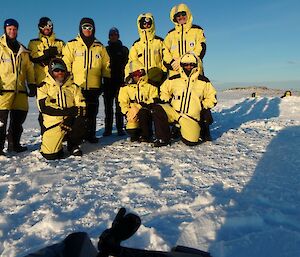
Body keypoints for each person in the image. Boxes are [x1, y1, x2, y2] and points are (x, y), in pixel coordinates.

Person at [151, 52, 217, 147]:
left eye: (191, 64)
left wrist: (203, 107)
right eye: (185, 65)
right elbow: (163, 91)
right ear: (181, 65)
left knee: (191, 142)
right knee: (158, 109)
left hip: (190, 117)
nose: (188, 67)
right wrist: (168, 101)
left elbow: (212, 97)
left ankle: (182, 129)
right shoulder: (173, 79)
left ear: (196, 65)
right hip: (175, 112)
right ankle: (163, 138)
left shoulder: (204, 81)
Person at [63, 17, 110, 143]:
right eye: (85, 27)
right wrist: (68, 82)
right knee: (78, 112)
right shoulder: (72, 44)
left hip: (94, 86)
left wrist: (106, 80)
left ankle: (90, 134)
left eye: (90, 27)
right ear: (80, 28)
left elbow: (106, 65)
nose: (87, 30)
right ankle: (76, 136)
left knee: (92, 112)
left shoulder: (100, 46)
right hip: (77, 86)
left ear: (93, 29)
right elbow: (66, 64)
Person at [37, 58, 87, 160]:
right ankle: (54, 144)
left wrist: (70, 118)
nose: (60, 73)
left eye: (62, 70)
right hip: (54, 123)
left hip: (71, 121)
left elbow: (81, 106)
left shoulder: (74, 87)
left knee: (81, 120)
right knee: (50, 155)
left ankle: (73, 144)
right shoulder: (43, 87)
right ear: (51, 71)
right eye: (56, 70)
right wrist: (68, 112)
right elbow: (45, 108)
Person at [0, 18, 35, 156]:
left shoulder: (22, 50)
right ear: (5, 30)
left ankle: (14, 145)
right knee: (1, 122)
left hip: (20, 91)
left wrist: (31, 84)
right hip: (4, 91)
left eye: (14, 29)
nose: (12, 31)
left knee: (18, 120)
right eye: (9, 29)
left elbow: (29, 69)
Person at [119, 60, 158, 142]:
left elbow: (154, 98)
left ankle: (146, 135)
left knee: (143, 113)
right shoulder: (125, 88)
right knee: (131, 129)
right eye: (135, 74)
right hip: (132, 112)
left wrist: (142, 105)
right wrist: (127, 112)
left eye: (139, 73)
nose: (138, 76)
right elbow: (122, 102)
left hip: (146, 109)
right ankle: (135, 133)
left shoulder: (150, 85)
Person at [163, 3, 206, 77]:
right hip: (175, 73)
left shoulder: (197, 30)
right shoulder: (170, 34)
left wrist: (185, 61)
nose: (181, 17)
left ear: (188, 14)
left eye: (183, 14)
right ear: (174, 18)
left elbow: (201, 48)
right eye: (178, 16)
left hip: (194, 71)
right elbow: (164, 51)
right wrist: (171, 63)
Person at [127, 13, 166, 88]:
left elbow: (165, 58)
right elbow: (132, 63)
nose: (146, 25)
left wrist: (164, 74)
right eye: (144, 24)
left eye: (149, 23)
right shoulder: (136, 45)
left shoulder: (160, 42)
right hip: (142, 82)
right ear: (140, 25)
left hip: (158, 80)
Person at [102, 27, 129, 137]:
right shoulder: (105, 50)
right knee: (108, 108)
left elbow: (128, 66)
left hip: (120, 82)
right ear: (109, 37)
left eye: (115, 34)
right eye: (111, 35)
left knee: (119, 107)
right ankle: (107, 129)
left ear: (118, 36)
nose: (113, 36)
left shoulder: (124, 50)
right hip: (108, 83)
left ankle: (120, 128)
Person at [28, 17, 64, 87]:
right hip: (41, 80)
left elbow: (66, 59)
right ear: (39, 27)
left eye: (49, 26)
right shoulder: (34, 42)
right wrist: (45, 54)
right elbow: (32, 57)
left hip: (57, 80)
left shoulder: (60, 43)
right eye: (43, 26)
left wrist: (55, 57)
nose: (46, 28)